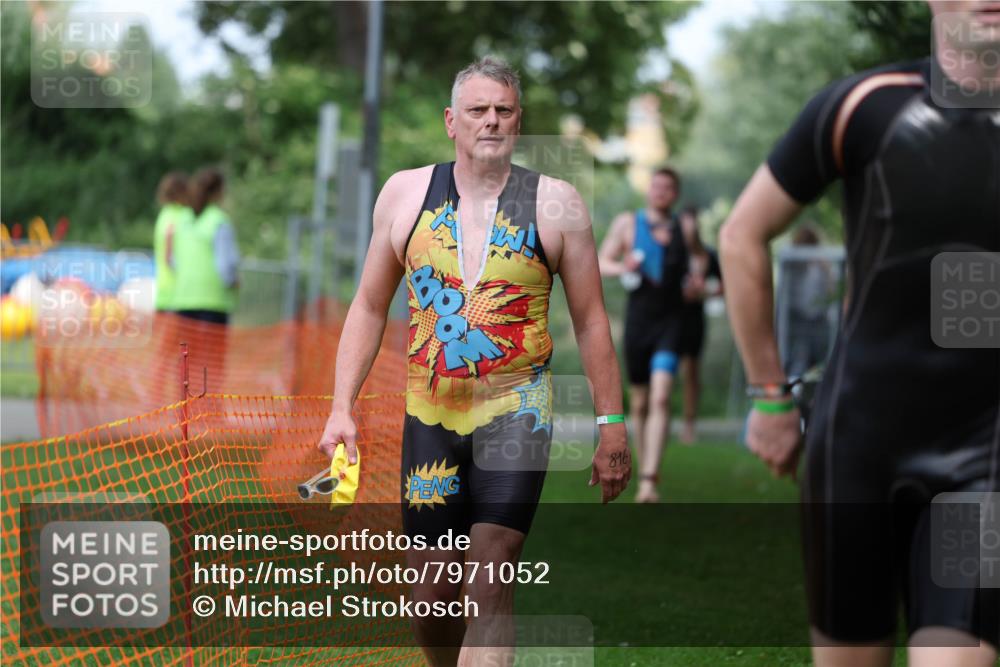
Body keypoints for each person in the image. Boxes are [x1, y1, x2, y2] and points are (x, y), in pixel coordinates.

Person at [316, 57, 630, 666]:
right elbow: (368, 305)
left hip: (518, 412)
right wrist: (340, 409)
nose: (491, 121)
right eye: (478, 110)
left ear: (519, 121)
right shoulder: (405, 194)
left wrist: (609, 424)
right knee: (432, 595)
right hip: (429, 415)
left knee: (491, 577)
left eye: (504, 110)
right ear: (450, 122)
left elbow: (592, 321)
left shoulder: (556, 203)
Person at [720, 2, 999, 665]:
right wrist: (768, 396)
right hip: (858, 449)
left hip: (986, 453)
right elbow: (741, 235)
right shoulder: (864, 105)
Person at [598, 167, 688, 502]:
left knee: (662, 396)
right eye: (657, 186)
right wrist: (624, 267)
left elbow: (698, 268)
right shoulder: (627, 223)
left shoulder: (685, 227)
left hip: (672, 321)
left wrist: (696, 285)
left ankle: (650, 479)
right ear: (649, 190)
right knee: (639, 400)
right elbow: (601, 261)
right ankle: (642, 470)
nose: (661, 192)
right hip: (639, 321)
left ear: (675, 194)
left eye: (668, 187)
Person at [676, 206, 722, 444]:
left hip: (694, 319)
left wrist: (705, 290)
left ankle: (689, 424)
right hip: (670, 318)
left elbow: (723, 286)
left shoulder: (709, 255)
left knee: (691, 372)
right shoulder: (673, 253)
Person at [172, 168, 240, 324]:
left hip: (183, 300)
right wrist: (233, 282)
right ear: (218, 192)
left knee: (185, 348)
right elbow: (225, 265)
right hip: (213, 304)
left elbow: (174, 261)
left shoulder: (182, 219)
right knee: (210, 349)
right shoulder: (218, 220)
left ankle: (185, 351)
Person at [779, 224, 835, 380]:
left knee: (821, 365)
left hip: (818, 322)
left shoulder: (823, 265)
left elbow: (831, 293)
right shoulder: (791, 265)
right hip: (797, 322)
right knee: (797, 363)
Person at [152, 171, 193, 312]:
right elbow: (171, 258)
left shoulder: (164, 214)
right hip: (178, 293)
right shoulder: (182, 216)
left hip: (163, 290)